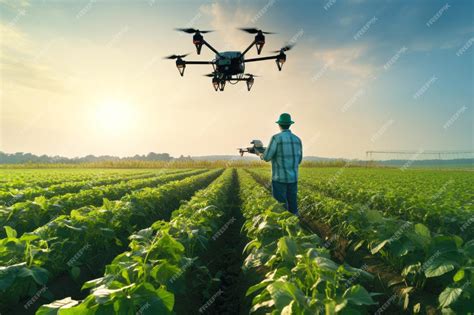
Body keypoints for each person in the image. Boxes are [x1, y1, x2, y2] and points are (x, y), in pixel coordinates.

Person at [259, 113, 303, 215]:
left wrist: (260, 154)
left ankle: (282, 228)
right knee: (293, 207)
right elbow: (299, 160)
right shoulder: (297, 140)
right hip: (293, 179)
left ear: (279, 125)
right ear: (289, 124)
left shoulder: (276, 138)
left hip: (279, 179)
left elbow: (266, 157)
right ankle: (295, 226)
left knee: (280, 208)